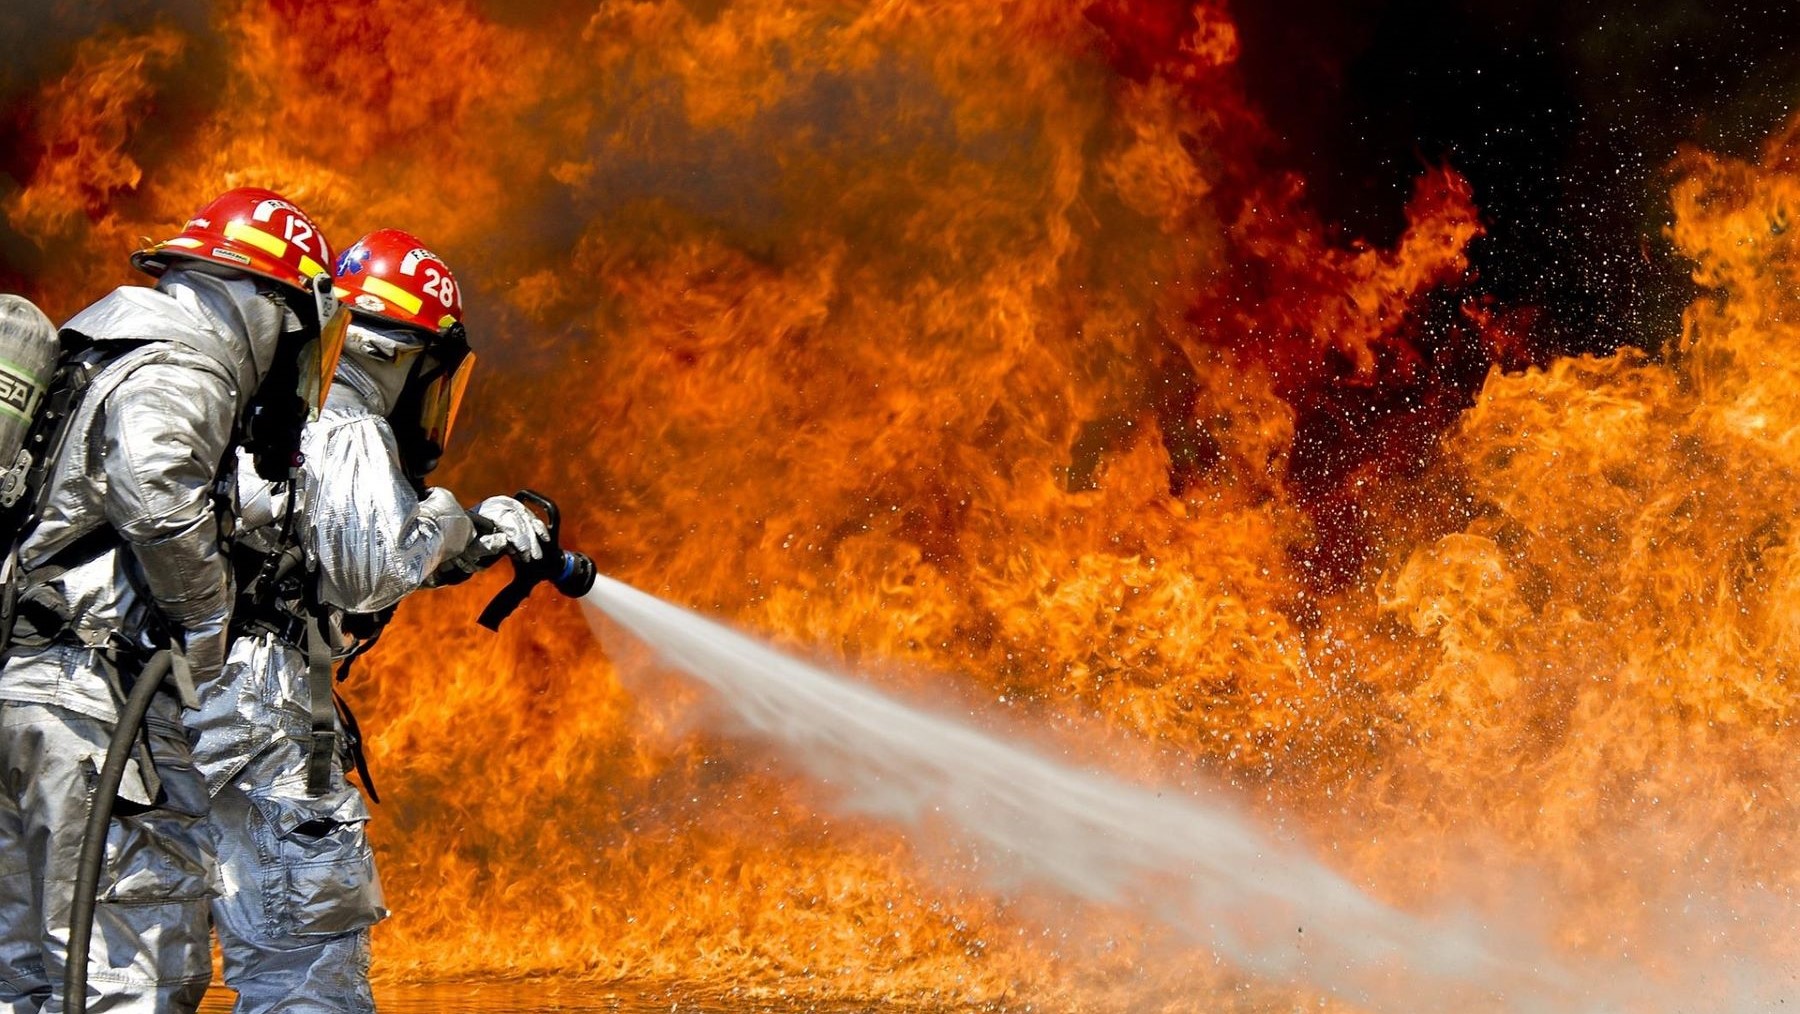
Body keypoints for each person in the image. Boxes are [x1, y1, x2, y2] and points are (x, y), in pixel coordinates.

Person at [0, 187, 348, 1013]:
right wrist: (205, 627)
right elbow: (156, 492)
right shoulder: (183, 362)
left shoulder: (100, 348)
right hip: (92, 709)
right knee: (135, 973)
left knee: (26, 976)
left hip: (21, 691)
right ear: (264, 304)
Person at [191, 228, 546, 1013]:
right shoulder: (346, 412)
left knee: (135, 958)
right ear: (409, 352)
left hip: (172, 693)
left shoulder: (255, 399)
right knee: (304, 965)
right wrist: (462, 519)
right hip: (259, 709)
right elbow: (372, 566)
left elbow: (319, 542)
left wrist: (472, 540)